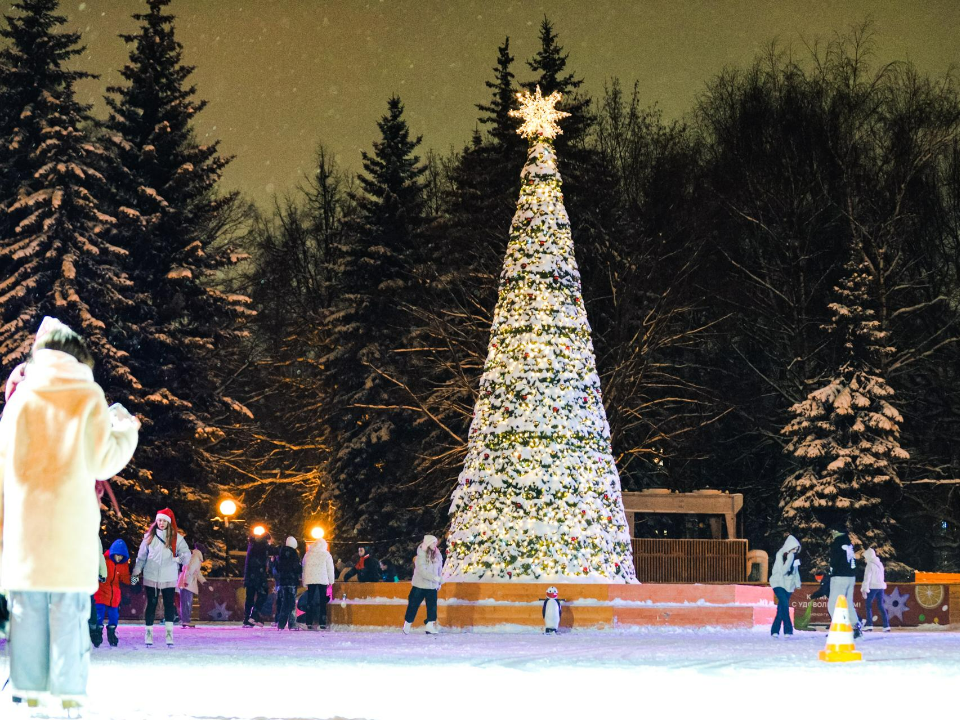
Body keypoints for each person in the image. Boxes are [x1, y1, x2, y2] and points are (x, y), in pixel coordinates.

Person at [0, 319, 139, 711]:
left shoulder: (22, 399)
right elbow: (104, 460)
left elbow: (3, 465)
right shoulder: (87, 394)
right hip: (71, 532)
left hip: (27, 532)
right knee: (69, 615)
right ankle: (67, 695)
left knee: (27, 614)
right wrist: (125, 428)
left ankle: (29, 693)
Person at [132, 509, 191, 647]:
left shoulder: (177, 538)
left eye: (164, 520)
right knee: (151, 604)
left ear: (169, 522)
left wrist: (179, 559)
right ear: (156, 521)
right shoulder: (149, 537)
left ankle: (169, 634)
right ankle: (148, 633)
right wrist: (135, 573)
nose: (161, 523)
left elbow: (187, 555)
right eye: (159, 520)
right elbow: (141, 558)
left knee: (169, 605)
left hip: (169, 577)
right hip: (151, 576)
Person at [92, 540, 131, 647]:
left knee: (114, 615)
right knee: (99, 614)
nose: (118, 558)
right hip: (101, 592)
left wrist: (133, 581)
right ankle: (97, 632)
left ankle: (111, 632)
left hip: (114, 595)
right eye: (117, 555)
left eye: (121, 557)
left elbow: (125, 578)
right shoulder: (104, 560)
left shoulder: (123, 565)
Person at [402, 535, 443, 635]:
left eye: (436, 542)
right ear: (428, 543)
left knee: (432, 607)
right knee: (413, 605)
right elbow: (422, 572)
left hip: (432, 586)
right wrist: (435, 578)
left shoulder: (437, 554)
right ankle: (407, 624)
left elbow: (439, 569)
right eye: (433, 542)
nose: (435, 544)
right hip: (419, 586)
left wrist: (438, 582)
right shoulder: (421, 555)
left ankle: (430, 625)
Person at [828, 525, 862, 637]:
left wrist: (831, 569)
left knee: (833, 604)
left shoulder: (837, 542)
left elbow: (834, 560)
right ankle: (855, 626)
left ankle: (840, 628)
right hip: (851, 576)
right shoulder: (848, 542)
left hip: (839, 576)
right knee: (848, 603)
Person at [768, 534, 801, 637]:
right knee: (785, 605)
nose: (795, 550)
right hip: (778, 583)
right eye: (794, 548)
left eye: (797, 548)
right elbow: (782, 571)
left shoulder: (794, 558)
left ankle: (775, 631)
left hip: (789, 585)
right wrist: (790, 559)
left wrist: (798, 583)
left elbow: (796, 572)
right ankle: (788, 630)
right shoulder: (780, 555)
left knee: (781, 608)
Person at [302, 536, 335, 630]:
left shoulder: (308, 554)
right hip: (322, 579)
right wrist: (331, 581)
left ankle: (309, 622)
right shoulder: (326, 554)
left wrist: (304, 581)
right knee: (322, 601)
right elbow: (330, 568)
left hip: (311, 580)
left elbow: (304, 568)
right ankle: (322, 623)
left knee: (310, 601)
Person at [242, 531, 272, 626]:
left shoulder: (252, 545)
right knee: (263, 594)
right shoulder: (262, 545)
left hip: (250, 576)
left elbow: (249, 562)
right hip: (258, 576)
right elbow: (273, 551)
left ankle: (248, 619)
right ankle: (254, 615)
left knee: (250, 597)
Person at [177, 542, 208, 629]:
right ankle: (186, 620)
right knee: (186, 603)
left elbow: (196, 572)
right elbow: (190, 570)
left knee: (186, 602)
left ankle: (186, 620)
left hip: (187, 582)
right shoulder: (195, 558)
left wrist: (203, 581)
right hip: (187, 583)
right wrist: (187, 581)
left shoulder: (194, 557)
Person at [274, 537, 302, 630]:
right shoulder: (294, 554)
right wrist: (299, 569)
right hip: (291, 581)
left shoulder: (281, 553)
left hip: (283, 582)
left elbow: (277, 567)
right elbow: (296, 568)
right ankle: (292, 623)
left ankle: (281, 623)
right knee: (291, 603)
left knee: (284, 602)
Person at [861, 547, 890, 632]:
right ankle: (886, 625)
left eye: (865, 557)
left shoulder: (869, 565)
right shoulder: (879, 564)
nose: (865, 559)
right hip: (880, 587)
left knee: (868, 605)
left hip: (872, 587)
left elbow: (867, 578)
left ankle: (869, 624)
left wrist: (864, 589)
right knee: (880, 606)